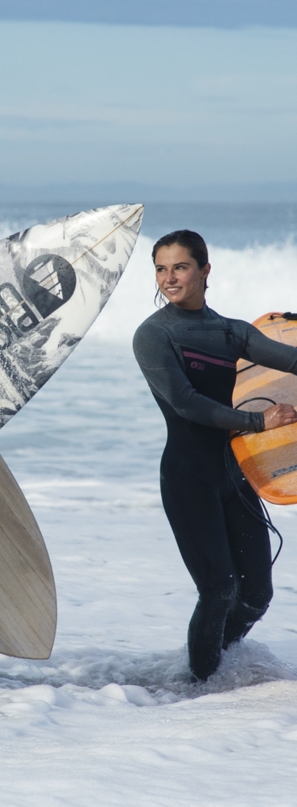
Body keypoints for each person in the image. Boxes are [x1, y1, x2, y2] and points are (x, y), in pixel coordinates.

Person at [133, 229, 297, 681]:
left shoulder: (232, 332)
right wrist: (259, 423)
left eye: (180, 267)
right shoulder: (154, 335)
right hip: (189, 476)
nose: (169, 277)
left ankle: (219, 666)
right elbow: (187, 402)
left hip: (233, 475)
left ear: (205, 270)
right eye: (161, 269)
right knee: (218, 589)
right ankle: (198, 690)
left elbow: (291, 359)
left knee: (257, 595)